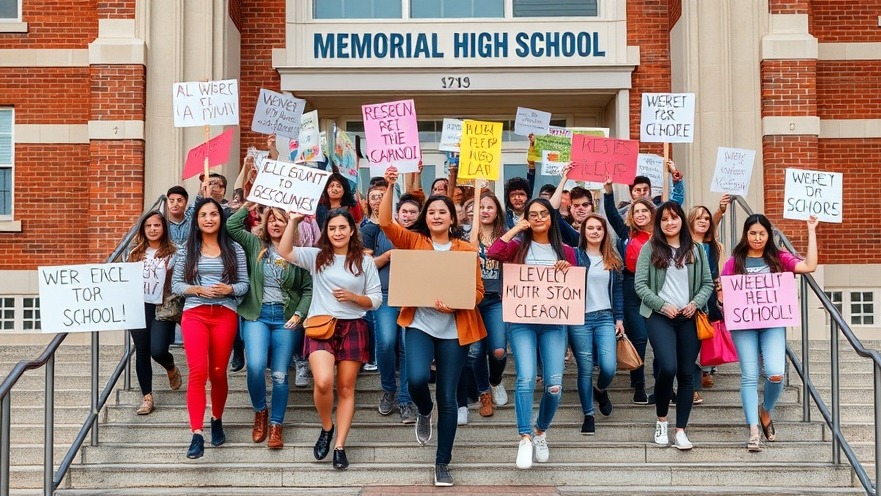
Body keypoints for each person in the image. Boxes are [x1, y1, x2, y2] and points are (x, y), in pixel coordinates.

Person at [380, 166, 486, 487]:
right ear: (425, 218)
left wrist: (457, 302)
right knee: (415, 379)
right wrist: (391, 185)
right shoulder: (413, 241)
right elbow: (385, 222)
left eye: (443, 212)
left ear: (453, 218)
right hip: (421, 325)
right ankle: (424, 410)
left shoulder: (466, 249)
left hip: (455, 330)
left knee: (448, 398)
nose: (437, 216)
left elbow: (478, 292)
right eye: (432, 212)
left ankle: (442, 462)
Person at [278, 209, 382, 470]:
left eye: (342, 227)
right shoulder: (317, 257)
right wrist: (293, 221)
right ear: (326, 231)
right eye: (332, 228)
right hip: (321, 325)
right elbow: (285, 251)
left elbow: (376, 300)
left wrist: (354, 297)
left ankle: (339, 446)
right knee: (324, 381)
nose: (337, 233)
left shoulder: (365, 261)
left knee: (346, 388)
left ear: (352, 230)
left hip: (353, 326)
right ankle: (327, 427)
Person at [488, 198, 576, 470]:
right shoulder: (517, 246)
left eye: (543, 213)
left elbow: (575, 289)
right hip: (521, 322)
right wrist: (517, 227)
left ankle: (540, 431)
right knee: (526, 377)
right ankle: (524, 437)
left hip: (554, 324)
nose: (538, 218)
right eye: (532, 214)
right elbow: (493, 252)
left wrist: (568, 269)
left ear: (552, 217)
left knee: (554, 385)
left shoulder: (566, 251)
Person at [722, 214, 818, 452]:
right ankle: (754, 431)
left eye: (762, 234)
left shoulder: (779, 258)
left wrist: (811, 230)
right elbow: (723, 293)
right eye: (752, 233)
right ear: (745, 234)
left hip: (772, 323)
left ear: (768, 235)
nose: (757, 238)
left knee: (776, 373)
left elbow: (809, 266)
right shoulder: (734, 262)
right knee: (749, 375)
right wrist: (722, 296)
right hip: (744, 325)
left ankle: (765, 410)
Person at [227, 204, 313, 449]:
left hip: (285, 318)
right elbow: (232, 226)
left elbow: (308, 289)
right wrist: (247, 206)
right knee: (255, 366)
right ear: (265, 223)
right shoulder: (255, 244)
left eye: (281, 220)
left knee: (280, 374)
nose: (275, 224)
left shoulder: (298, 253)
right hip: (258, 315)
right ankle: (260, 411)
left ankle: (276, 425)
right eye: (271, 219)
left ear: (289, 225)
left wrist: (299, 313)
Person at [172, 198, 249, 459]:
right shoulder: (187, 249)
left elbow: (244, 285)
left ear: (221, 218)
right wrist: (197, 289)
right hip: (195, 313)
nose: (208, 219)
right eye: (203, 215)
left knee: (217, 372)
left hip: (225, 314)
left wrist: (229, 289)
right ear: (196, 220)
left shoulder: (234, 249)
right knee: (198, 372)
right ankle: (197, 433)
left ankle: (217, 418)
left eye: (213, 214)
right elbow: (176, 285)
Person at [634, 201, 713, 450]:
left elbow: (707, 284)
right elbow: (640, 285)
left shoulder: (696, 249)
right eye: (664, 219)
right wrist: (661, 305)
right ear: (659, 223)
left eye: (674, 217)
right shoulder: (650, 248)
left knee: (686, 373)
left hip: (689, 317)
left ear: (681, 220)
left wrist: (695, 303)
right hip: (660, 316)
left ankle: (680, 431)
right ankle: (661, 421)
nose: (670, 223)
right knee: (668, 367)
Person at [361, 193, 423, 423]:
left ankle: (406, 400)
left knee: (407, 348)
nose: (408, 216)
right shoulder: (382, 232)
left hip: (413, 298)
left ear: (419, 215)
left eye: (413, 212)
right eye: (404, 212)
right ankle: (388, 388)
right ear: (397, 214)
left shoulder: (424, 236)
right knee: (385, 343)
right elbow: (367, 266)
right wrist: (387, 256)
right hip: (385, 295)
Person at [570, 213, 624, 435]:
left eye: (599, 228)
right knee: (584, 369)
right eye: (590, 228)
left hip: (604, 317)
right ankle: (588, 415)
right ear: (583, 232)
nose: (594, 232)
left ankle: (600, 389)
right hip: (580, 318)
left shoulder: (612, 258)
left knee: (609, 367)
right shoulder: (574, 256)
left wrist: (619, 318)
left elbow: (618, 291)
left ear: (604, 232)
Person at [603, 179, 655, 404]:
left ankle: (662, 384)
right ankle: (639, 385)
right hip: (631, 288)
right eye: (636, 211)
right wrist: (608, 191)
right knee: (640, 337)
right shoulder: (627, 233)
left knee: (660, 341)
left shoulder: (662, 235)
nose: (640, 214)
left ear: (652, 213)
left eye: (645, 211)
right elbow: (611, 214)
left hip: (658, 290)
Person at [127, 211, 182, 415]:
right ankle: (147, 397)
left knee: (157, 350)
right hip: (139, 307)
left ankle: (170, 366)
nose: (152, 229)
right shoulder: (134, 253)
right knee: (142, 350)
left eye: (157, 225)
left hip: (163, 307)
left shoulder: (175, 252)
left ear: (164, 228)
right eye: (148, 226)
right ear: (142, 229)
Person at [465, 187, 509, 417]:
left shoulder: (506, 235)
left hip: (495, 300)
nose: (484, 210)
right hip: (471, 301)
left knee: (499, 350)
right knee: (475, 351)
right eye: (480, 207)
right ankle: (484, 394)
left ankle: (495, 380)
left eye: (489, 207)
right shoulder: (466, 236)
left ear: (497, 211)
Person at [688, 205, 726, 397]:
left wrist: (721, 293)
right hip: (687, 297)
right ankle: (693, 386)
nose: (703, 221)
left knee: (706, 334)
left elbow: (718, 272)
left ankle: (706, 370)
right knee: (690, 342)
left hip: (709, 296)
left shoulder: (715, 247)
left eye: (706, 218)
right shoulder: (683, 245)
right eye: (698, 218)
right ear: (690, 222)